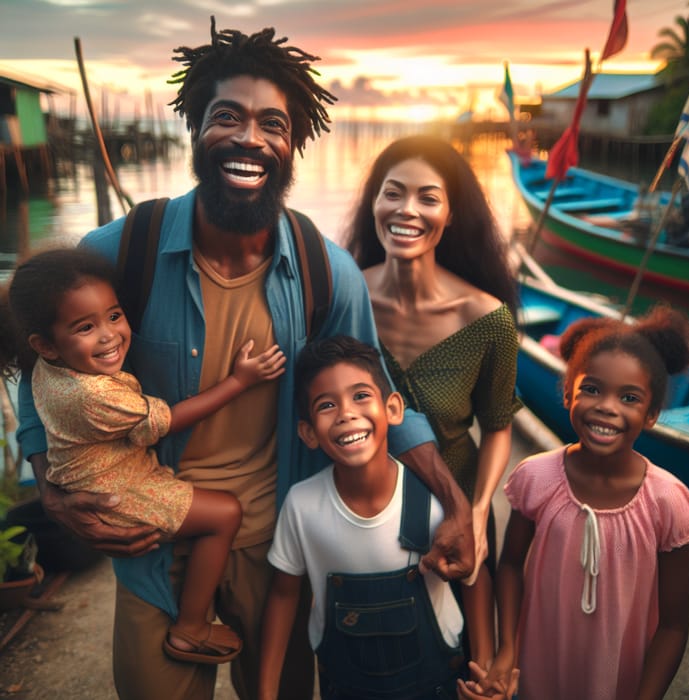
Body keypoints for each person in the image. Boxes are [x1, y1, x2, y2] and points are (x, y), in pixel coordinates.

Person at [16, 20, 474, 700]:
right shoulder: (121, 250)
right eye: (226, 117)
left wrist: (456, 500)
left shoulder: (328, 271)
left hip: (276, 546)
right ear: (194, 130)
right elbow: (41, 371)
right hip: (152, 541)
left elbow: (377, 385)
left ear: (293, 145)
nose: (250, 138)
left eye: (273, 124)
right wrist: (51, 486)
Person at [0, 246, 287, 664]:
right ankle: (190, 628)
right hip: (115, 493)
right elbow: (168, 419)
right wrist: (239, 381)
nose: (109, 335)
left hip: (93, 476)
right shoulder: (92, 394)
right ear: (44, 344)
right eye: (85, 327)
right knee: (224, 515)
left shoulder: (55, 369)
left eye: (114, 316)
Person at [461, 305, 689, 700]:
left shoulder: (668, 502)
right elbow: (509, 566)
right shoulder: (535, 478)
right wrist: (507, 651)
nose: (607, 406)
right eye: (591, 389)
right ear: (568, 392)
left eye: (629, 397)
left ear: (652, 414)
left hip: (617, 683)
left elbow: (674, 625)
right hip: (537, 670)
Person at [345, 135, 521, 660]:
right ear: (373, 203)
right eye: (392, 192)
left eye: (428, 197)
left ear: (450, 215)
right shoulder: (344, 298)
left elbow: (497, 425)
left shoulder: (488, 319)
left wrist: (479, 509)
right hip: (367, 504)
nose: (407, 210)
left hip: (458, 503)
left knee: (466, 652)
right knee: (377, 652)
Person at [259, 335, 483, 699]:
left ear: (393, 408)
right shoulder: (302, 506)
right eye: (327, 405)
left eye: (361, 396)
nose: (346, 413)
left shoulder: (433, 504)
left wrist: (483, 668)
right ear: (308, 433)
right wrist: (266, 693)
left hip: (436, 685)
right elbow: (284, 596)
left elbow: (475, 577)